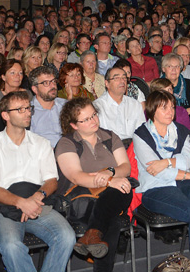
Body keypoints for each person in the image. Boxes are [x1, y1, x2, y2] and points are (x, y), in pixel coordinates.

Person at [0, 90, 76, 272]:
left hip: (38, 204)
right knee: (12, 245)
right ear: (5, 115)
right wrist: (21, 203)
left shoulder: (41, 143)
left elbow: (51, 180)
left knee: (67, 236)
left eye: (28, 108)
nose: (28, 112)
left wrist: (36, 197)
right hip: (3, 208)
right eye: (20, 109)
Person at [132, 90, 190, 272]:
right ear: (152, 110)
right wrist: (187, 174)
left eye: (172, 107)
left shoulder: (181, 131)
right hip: (154, 189)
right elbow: (155, 173)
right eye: (164, 108)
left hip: (180, 183)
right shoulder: (141, 135)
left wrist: (165, 162)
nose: (170, 112)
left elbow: (187, 161)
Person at [55, 98, 134, 271]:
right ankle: (94, 234)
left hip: (110, 197)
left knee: (123, 186)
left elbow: (125, 167)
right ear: (74, 125)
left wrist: (110, 172)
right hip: (82, 200)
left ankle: (91, 234)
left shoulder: (110, 136)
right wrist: (109, 181)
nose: (94, 121)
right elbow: (76, 176)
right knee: (112, 219)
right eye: (86, 119)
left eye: (94, 115)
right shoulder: (67, 143)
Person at [94, 66, 146, 144]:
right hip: (109, 148)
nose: (122, 81)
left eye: (124, 78)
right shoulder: (97, 106)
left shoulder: (135, 104)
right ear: (107, 83)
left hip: (133, 148)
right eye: (117, 78)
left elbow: (142, 132)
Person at [29, 65, 67, 148]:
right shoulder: (29, 112)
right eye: (46, 83)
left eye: (53, 81)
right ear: (35, 89)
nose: (53, 86)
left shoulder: (65, 105)